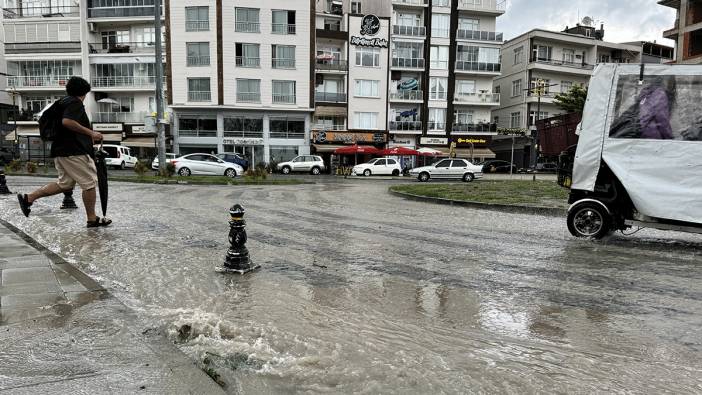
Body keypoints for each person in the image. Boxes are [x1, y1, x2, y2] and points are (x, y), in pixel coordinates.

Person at [17, 76, 112, 227]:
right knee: (89, 183)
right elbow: (67, 122)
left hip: (60, 150)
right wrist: (91, 133)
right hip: (73, 151)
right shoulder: (75, 103)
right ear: (84, 92)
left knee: (65, 184)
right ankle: (92, 219)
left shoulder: (62, 102)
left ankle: (29, 198)